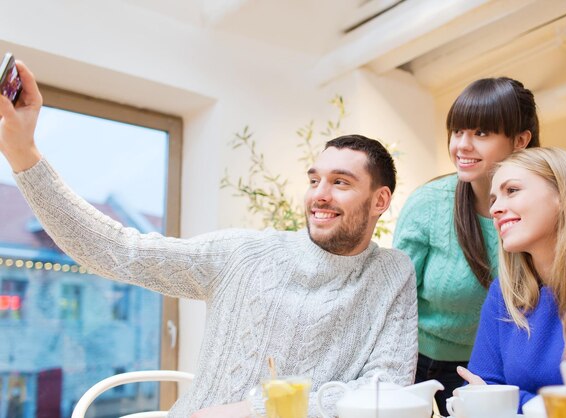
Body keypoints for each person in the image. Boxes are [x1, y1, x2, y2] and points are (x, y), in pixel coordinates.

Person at [0, 62, 418, 418]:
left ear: (379, 200)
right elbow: (117, 250)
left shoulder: (391, 272)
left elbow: (386, 390)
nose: (319, 194)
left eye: (340, 182)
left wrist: (253, 409)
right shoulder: (245, 254)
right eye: (314, 180)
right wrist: (23, 153)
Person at [392, 77, 540, 413]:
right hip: (424, 365)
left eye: (481, 133)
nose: (462, 145)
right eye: (457, 131)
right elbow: (393, 302)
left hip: (503, 368)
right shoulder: (429, 205)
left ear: (520, 140)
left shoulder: (541, 209)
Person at [458, 147, 566, 410]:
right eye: (493, 200)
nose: (495, 210)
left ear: (563, 195)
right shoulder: (505, 294)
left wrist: (513, 401)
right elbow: (477, 390)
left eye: (511, 190)